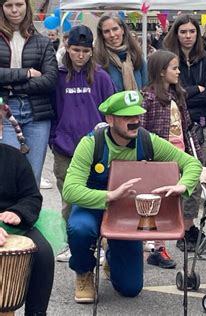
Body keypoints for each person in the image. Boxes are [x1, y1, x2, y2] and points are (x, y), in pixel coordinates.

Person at [63, 90, 202, 303]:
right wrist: (110, 195)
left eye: (137, 116)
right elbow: (70, 190)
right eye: (127, 117)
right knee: (80, 229)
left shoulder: (147, 141)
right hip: (93, 205)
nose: (135, 122)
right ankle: (83, 272)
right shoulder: (91, 144)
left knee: (130, 288)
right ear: (110, 119)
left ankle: (112, 258)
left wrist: (183, 186)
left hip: (127, 213)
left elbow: (192, 163)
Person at [50, 25, 115, 262]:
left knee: (98, 196)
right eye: (75, 50)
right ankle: (72, 243)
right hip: (65, 148)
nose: (80, 55)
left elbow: (111, 111)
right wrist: (54, 138)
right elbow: (52, 110)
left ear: (92, 51)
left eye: (85, 51)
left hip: (96, 149)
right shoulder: (57, 76)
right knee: (69, 199)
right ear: (67, 48)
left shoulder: (101, 77)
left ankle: (99, 243)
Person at [140, 50, 204, 267]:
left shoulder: (178, 96)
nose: (178, 72)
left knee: (173, 201)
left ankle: (159, 246)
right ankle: (157, 248)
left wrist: (195, 153)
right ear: (160, 72)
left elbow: (186, 127)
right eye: (174, 68)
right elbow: (141, 130)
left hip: (180, 153)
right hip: (159, 158)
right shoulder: (147, 98)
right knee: (159, 201)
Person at [0, 0, 58, 187]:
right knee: (8, 174)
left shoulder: (42, 41)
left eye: (19, 4)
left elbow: (50, 80)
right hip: (5, 111)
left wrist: (12, 85)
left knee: (33, 177)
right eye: (9, 5)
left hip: (37, 113)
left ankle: (29, 215)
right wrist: (25, 73)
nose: (15, 10)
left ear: (27, 6)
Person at [0, 143, 54, 316]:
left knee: (43, 253)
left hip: (12, 222)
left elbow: (31, 196)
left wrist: (18, 212)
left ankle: (36, 313)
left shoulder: (14, 157)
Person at [163, 14, 206, 168]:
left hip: (203, 125)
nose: (188, 36)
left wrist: (182, 95)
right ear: (176, 34)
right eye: (183, 32)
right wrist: (196, 89)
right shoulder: (169, 61)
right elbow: (168, 96)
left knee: (200, 174)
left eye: (192, 31)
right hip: (175, 125)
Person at [94, 13, 147, 92]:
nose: (112, 34)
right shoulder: (97, 60)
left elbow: (147, 86)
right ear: (102, 35)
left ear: (122, 30)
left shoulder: (136, 55)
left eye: (115, 29)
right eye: (106, 31)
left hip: (138, 103)